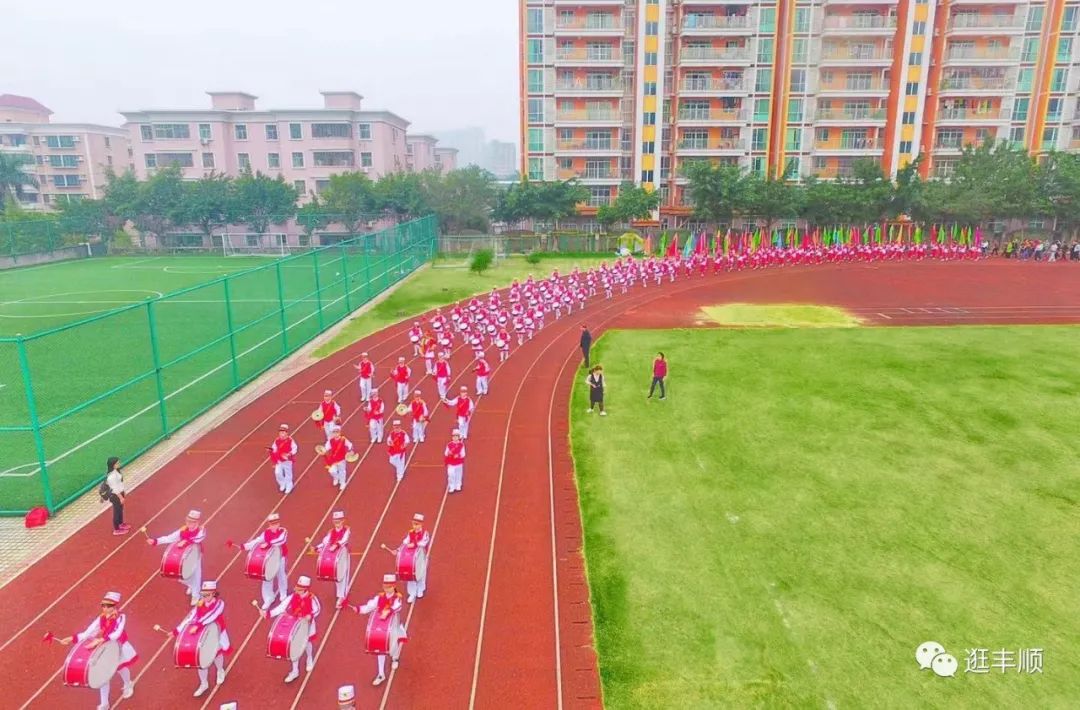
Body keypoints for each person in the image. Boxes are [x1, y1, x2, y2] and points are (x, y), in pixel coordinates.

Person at [56, 591, 137, 708]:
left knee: (120, 668)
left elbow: (117, 633)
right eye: (103, 605)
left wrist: (100, 640)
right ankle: (104, 703)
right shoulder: (101, 618)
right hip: (106, 648)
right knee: (103, 674)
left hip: (118, 646)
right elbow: (89, 632)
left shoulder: (121, 617)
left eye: (108, 606)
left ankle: (128, 683)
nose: (104, 608)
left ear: (114, 606)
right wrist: (72, 638)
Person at [341, 574, 408, 686]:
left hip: (393, 625)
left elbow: (398, 607)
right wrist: (358, 609)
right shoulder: (379, 597)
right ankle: (381, 674)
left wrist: (389, 610)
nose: (387, 589)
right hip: (381, 626)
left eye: (389, 586)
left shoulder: (398, 597)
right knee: (379, 647)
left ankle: (395, 659)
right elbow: (369, 606)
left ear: (394, 586)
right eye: (386, 586)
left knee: (393, 645)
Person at [171, 580, 229, 697]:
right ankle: (204, 683)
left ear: (213, 593)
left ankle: (220, 670)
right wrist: (177, 630)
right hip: (201, 634)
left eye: (206, 595)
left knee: (217, 653)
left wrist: (198, 625)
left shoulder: (219, 604)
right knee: (200, 658)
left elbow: (212, 615)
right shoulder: (200, 603)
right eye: (203, 594)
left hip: (215, 631)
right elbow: (191, 615)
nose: (204, 597)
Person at [263, 576, 320, 683]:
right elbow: (281, 607)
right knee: (294, 647)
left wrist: (310, 616)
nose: (297, 590)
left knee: (307, 642)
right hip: (295, 624)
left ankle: (309, 658)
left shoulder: (312, 598)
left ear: (305, 589)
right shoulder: (292, 597)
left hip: (307, 625)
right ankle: (295, 671)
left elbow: (317, 610)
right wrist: (268, 613)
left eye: (299, 588)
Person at [146, 509, 207, 605]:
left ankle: (196, 595)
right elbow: (170, 538)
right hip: (184, 556)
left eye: (191, 522)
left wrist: (186, 542)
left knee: (195, 574)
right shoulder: (183, 530)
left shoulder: (201, 531)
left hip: (195, 554)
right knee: (182, 576)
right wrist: (155, 541)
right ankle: (191, 586)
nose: (189, 523)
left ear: (197, 522)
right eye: (188, 521)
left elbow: (198, 538)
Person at [237, 513, 289, 609]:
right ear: (269, 525)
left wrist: (268, 543)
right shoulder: (266, 533)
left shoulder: (283, 531)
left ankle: (283, 594)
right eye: (272, 524)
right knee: (267, 577)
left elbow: (280, 540)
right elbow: (258, 540)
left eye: (276, 523)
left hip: (280, 557)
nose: (275, 526)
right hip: (269, 560)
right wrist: (245, 546)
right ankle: (268, 598)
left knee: (281, 574)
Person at [314, 511, 351, 604]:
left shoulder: (346, 530)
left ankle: (342, 596)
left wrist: (336, 545)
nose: (337, 524)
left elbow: (344, 540)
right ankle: (340, 594)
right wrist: (318, 547)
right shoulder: (331, 532)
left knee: (343, 575)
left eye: (339, 521)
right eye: (335, 522)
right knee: (337, 574)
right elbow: (325, 542)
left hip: (343, 554)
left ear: (343, 521)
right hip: (334, 556)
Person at [400, 513, 429, 603]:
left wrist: (415, 544)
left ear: (421, 524)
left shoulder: (425, 533)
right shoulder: (410, 532)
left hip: (421, 556)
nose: (415, 526)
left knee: (421, 573)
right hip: (411, 558)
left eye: (417, 524)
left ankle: (420, 589)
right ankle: (412, 593)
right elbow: (406, 540)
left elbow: (424, 543)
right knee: (410, 574)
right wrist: (402, 546)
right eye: (414, 524)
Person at [269, 424, 298, 494]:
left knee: (288, 473)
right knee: (277, 472)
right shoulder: (276, 440)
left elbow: (295, 448)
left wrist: (289, 454)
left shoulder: (290, 440)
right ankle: (282, 483)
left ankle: (289, 485)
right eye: (280, 432)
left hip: (287, 460)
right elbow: (274, 448)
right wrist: (272, 451)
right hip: (279, 459)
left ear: (286, 433)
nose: (282, 433)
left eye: (283, 432)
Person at [105, 457, 129, 536]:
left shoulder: (116, 471)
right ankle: (116, 529)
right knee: (117, 511)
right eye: (117, 463)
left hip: (120, 493)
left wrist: (123, 491)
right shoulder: (111, 476)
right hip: (115, 496)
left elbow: (120, 483)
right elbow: (114, 488)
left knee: (120, 510)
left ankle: (121, 523)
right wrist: (121, 497)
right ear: (113, 465)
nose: (119, 464)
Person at [444, 429, 466, 493]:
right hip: (451, 463)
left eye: (456, 436)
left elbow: (463, 454)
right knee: (451, 474)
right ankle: (451, 486)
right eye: (454, 436)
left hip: (459, 463)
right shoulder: (449, 445)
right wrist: (449, 454)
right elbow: (445, 453)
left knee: (459, 474)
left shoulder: (461, 445)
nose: (455, 438)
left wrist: (458, 455)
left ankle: (458, 485)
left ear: (458, 437)